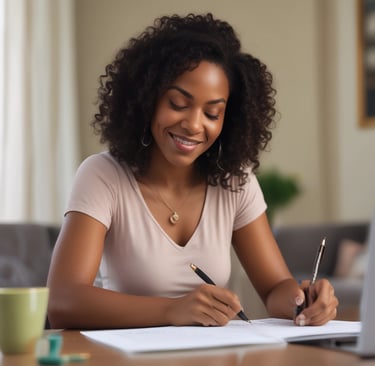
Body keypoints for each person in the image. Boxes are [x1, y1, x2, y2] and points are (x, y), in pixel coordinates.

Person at [47, 13, 338, 329]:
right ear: (147, 100)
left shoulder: (235, 183)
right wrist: (173, 310)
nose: (194, 124)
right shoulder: (103, 176)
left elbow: (274, 288)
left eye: (212, 113)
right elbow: (63, 301)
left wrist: (302, 301)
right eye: (177, 103)